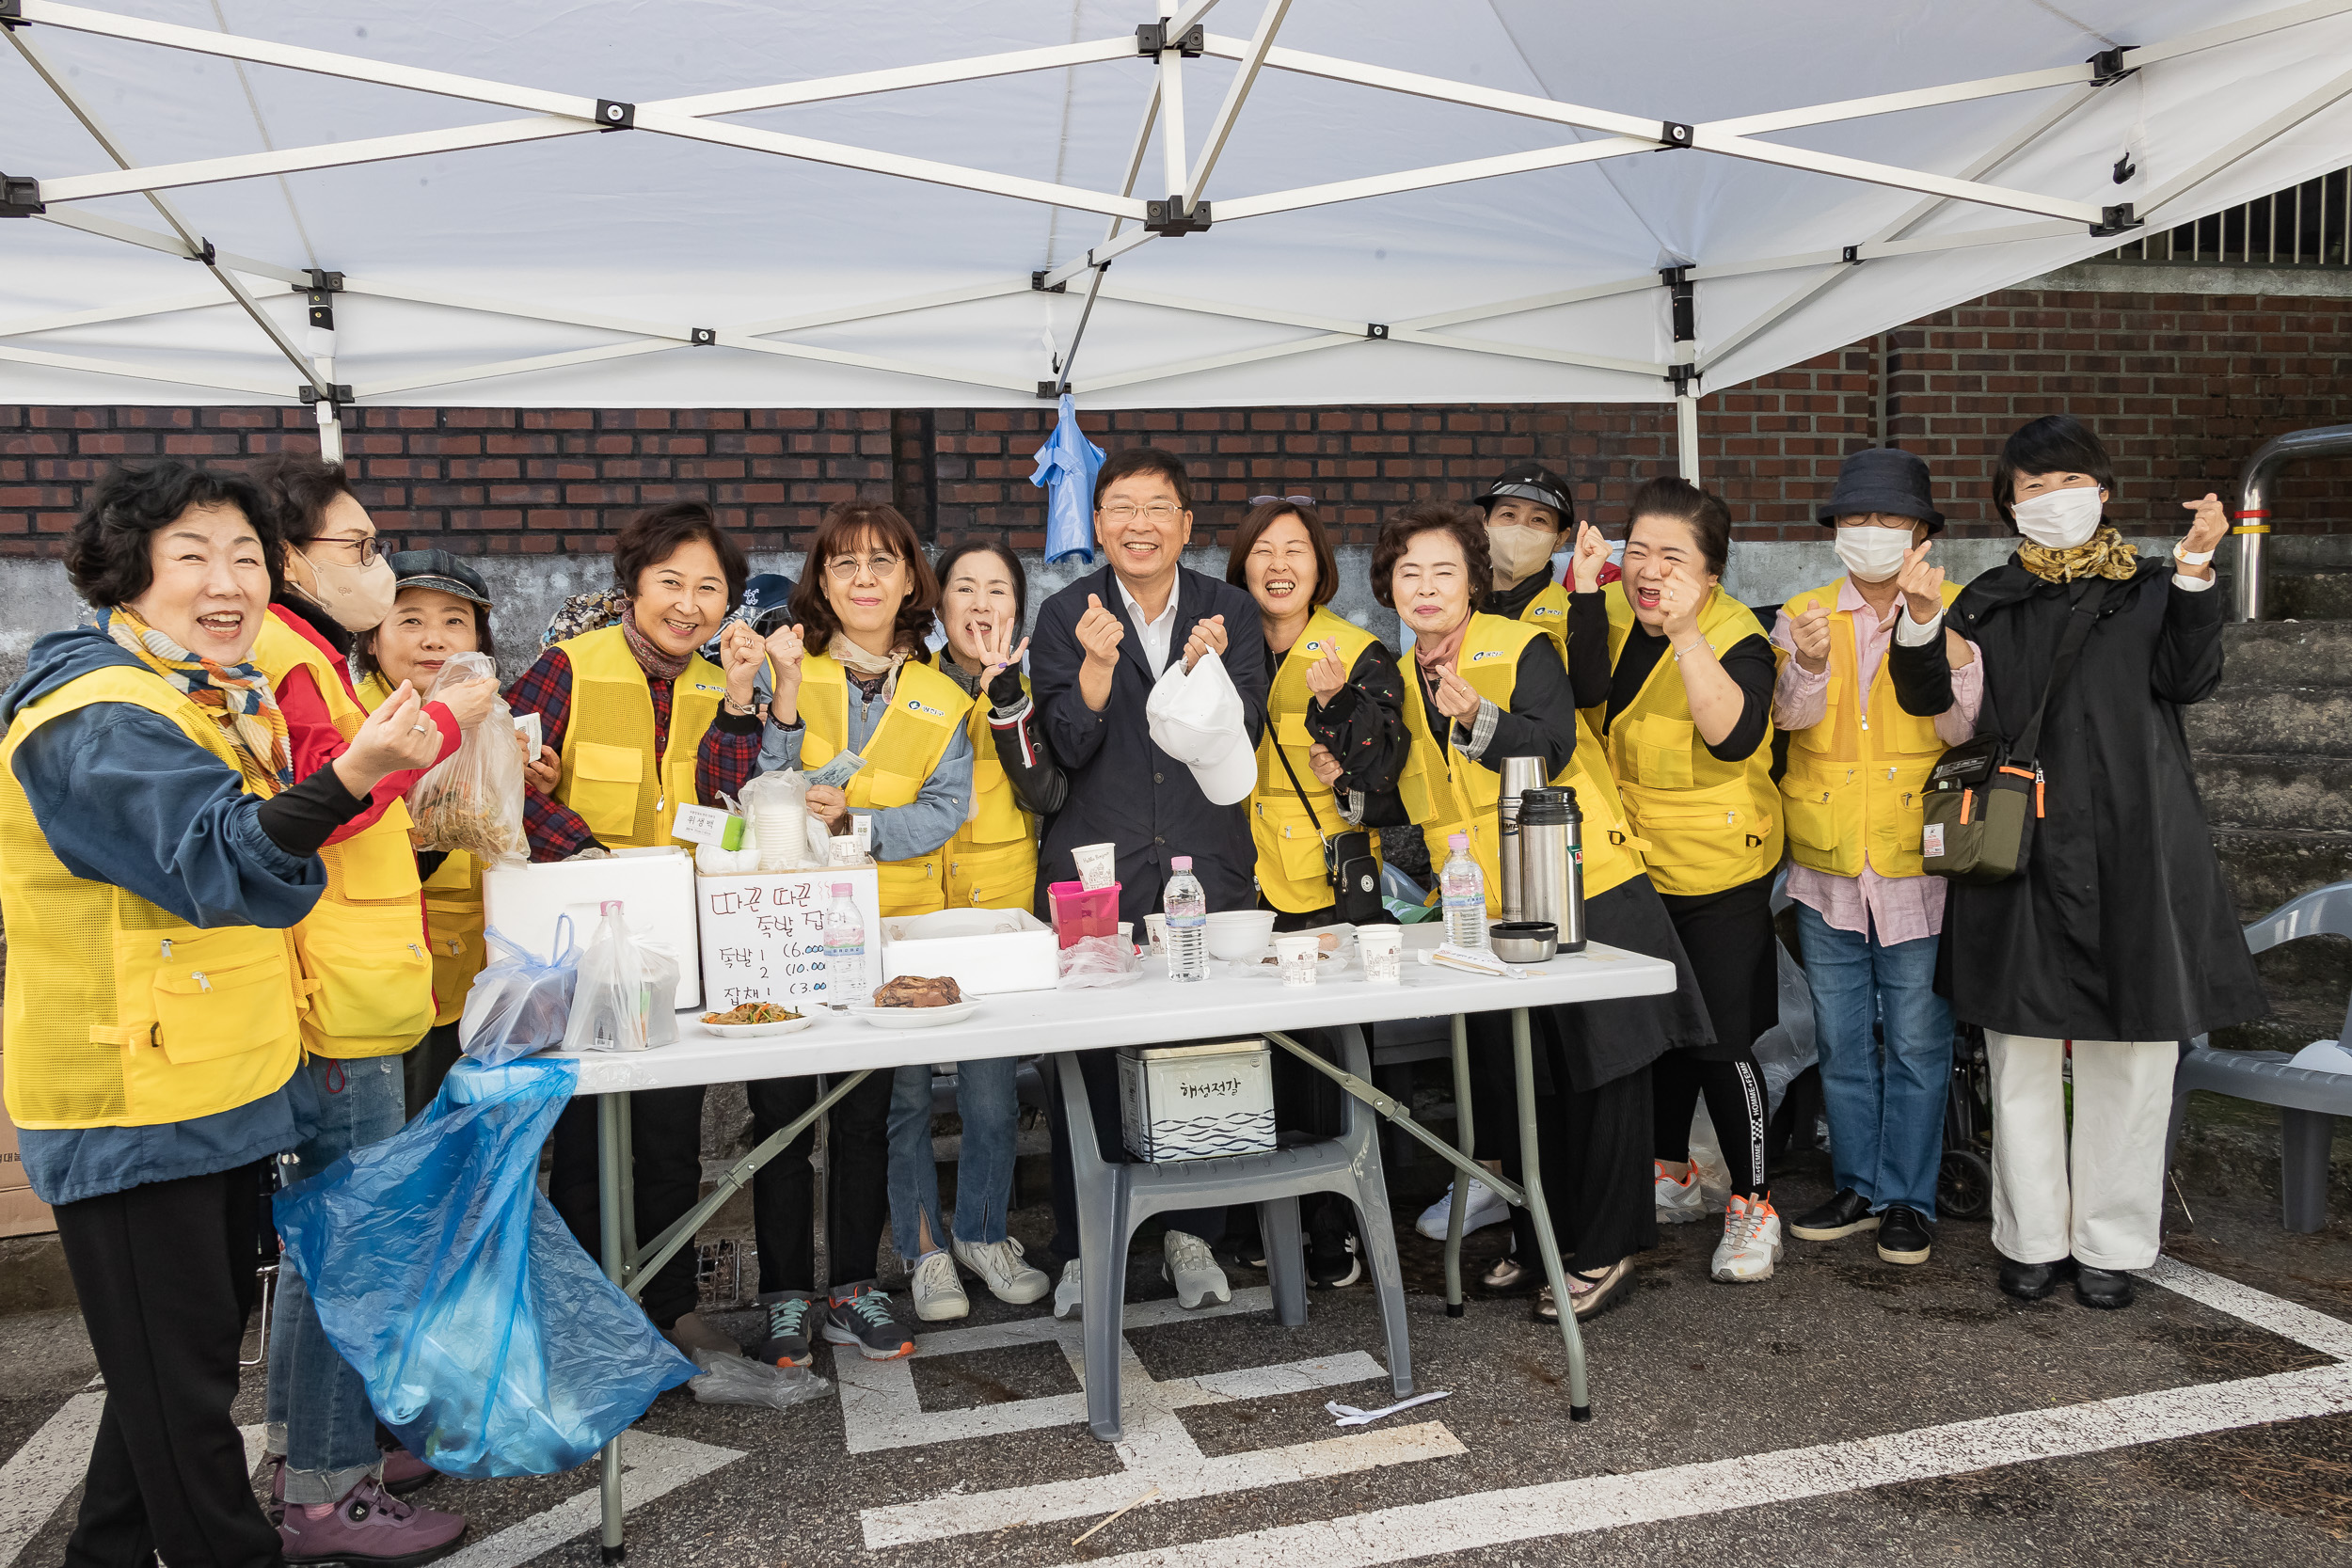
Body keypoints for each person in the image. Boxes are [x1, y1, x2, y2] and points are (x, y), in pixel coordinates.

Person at [1, 460, 445, 1568]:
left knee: (171, 1378)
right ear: (124, 571)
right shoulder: (95, 715)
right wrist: (353, 774)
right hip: (132, 1101)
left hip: (211, 1086)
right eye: (192, 554)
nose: (227, 580)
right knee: (190, 1412)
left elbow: (256, 865)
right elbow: (219, 854)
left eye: (246, 555)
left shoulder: (203, 693)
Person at [1888, 414, 2265, 1310]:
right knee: (2018, 1051)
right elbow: (1928, 698)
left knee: (2131, 1055)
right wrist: (1918, 621)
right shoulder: (1985, 598)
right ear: (2007, 505)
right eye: (2031, 487)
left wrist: (2201, 569)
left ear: (2102, 491)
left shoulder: (2150, 586)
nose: (2051, 500)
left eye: (2068, 482)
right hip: (2019, 849)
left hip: (2137, 843)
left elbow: (2188, 678)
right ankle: (2030, 1238)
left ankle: (2114, 1243)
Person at [1376, 500, 1708, 1322]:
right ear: (1387, 586)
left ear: (1473, 582)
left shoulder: (1521, 644)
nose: (1426, 588)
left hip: (1582, 880)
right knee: (1530, 1078)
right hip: (1490, 904)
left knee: (1605, 1076)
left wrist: (1473, 717)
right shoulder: (1396, 670)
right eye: (1409, 572)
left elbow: (1550, 742)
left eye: (1444, 571)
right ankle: (1538, 1240)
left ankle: (1604, 1246)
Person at [249, 455, 489, 1548]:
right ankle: (328, 1487)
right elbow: (324, 809)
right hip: (333, 996)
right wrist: (436, 730)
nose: (379, 568)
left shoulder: (307, 655)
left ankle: (322, 1443)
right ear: (293, 556)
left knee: (326, 1240)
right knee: (348, 1243)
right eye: (362, 547)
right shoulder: (292, 659)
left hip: (353, 986)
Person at [504, 499, 766, 1363]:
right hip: (575, 950)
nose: (687, 604)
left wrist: (737, 705)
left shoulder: (719, 680)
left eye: (708, 588)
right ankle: (592, 1316)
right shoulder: (565, 668)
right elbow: (502, 782)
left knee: (667, 1135)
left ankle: (673, 1304)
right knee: (582, 1141)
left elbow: (730, 801)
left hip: (673, 950)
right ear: (632, 584)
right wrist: (584, 853)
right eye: (670, 582)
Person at [726, 501, 973, 1356]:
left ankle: (857, 1286)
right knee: (783, 1115)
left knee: (868, 1117)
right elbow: (749, 778)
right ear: (820, 583)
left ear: (911, 578)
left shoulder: (944, 695)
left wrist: (858, 824)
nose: (864, 578)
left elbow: (948, 806)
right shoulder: (786, 668)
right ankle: (787, 1292)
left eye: (881, 562)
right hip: (779, 931)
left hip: (881, 936)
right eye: (843, 564)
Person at [1029, 446, 1270, 1319]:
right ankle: (1084, 1246)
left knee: (1202, 1053)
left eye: (1157, 507)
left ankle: (1192, 1231)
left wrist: (1205, 671)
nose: (1139, 524)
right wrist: (1095, 671)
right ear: (1097, 525)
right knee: (1086, 1064)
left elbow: (1236, 733)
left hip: (1202, 864)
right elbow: (1063, 747)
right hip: (1098, 871)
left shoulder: (1230, 610)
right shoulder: (1065, 615)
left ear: (1186, 525)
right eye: (1121, 508)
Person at [1771, 450, 1983, 1269]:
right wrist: (1812, 660)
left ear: (1921, 533)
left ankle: (1908, 1198)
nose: (1872, 533)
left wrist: (1936, 632)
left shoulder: (1957, 608)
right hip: (1825, 860)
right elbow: (1786, 720)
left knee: (1923, 1041)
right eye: (1857, 520)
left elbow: (1965, 731)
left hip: (1916, 861)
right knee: (1842, 1037)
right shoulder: (1804, 611)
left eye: (1891, 520)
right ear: (1833, 532)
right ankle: (1857, 1184)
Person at [1595, 476, 1787, 1285]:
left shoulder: (1737, 633)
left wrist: (1684, 634)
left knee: (1719, 1043)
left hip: (1720, 869)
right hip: (1634, 864)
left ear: (1712, 574)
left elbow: (1734, 732)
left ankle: (1753, 1205)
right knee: (1654, 1035)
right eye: (1637, 549)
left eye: (1673, 556)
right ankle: (1668, 1173)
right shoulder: (1603, 616)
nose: (1650, 569)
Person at [871, 540, 1065, 1329]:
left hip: (996, 908)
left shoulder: (1034, 677)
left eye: (998, 590)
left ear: (1017, 606)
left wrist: (1008, 695)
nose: (981, 604)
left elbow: (1048, 786)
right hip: (906, 905)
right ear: (938, 601)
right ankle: (923, 1251)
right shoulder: (896, 682)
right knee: (906, 1095)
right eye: (965, 588)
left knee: (989, 1095)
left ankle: (984, 1233)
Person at [1224, 498, 1409, 1286]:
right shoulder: (1222, 646)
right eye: (1263, 549)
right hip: (1240, 884)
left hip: (1329, 885)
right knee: (1259, 1062)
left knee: (1340, 1063)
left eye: (1295, 549)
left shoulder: (1359, 650)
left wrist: (1342, 712)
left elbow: (1389, 774)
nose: (1278, 564)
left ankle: (1342, 1227)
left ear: (1320, 566)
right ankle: (1268, 1221)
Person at [1415, 461, 1589, 1241]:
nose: (1516, 530)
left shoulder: (1571, 608)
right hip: (1470, 863)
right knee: (1485, 1040)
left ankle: (1551, 1203)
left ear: (1561, 536)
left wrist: (1587, 596)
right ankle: (1491, 1176)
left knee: (1552, 1047)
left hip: (1556, 851)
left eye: (1537, 518)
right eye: (1504, 514)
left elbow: (1566, 726)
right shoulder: (1444, 614)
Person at [352, 549, 507, 1117]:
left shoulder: (489, 720)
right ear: (372, 637)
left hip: (480, 982)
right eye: (410, 619)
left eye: (453, 621)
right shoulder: (351, 721)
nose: (433, 639)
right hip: (380, 992)